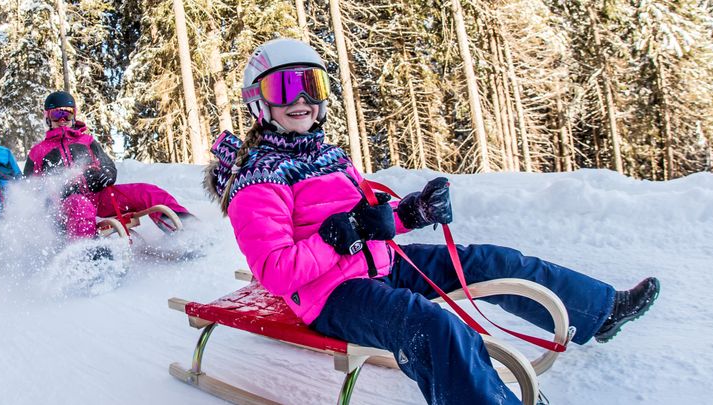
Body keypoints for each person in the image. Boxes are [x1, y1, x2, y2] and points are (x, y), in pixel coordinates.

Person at [203, 38, 660, 405]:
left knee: (490, 261)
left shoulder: (329, 156)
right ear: (258, 102)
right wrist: (339, 237)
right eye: (284, 88)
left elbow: (369, 219)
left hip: (381, 265)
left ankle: (599, 311)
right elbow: (276, 273)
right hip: (331, 297)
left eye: (312, 85)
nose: (302, 98)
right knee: (433, 326)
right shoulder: (256, 180)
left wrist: (411, 213)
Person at [24, 91, 117, 244]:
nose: (62, 120)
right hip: (63, 208)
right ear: (47, 117)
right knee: (80, 205)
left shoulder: (87, 141)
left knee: (145, 192)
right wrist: (54, 193)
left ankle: (163, 229)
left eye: (67, 114)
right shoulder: (38, 151)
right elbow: (29, 188)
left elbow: (106, 163)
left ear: (74, 115)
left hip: (97, 197)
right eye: (56, 114)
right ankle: (87, 250)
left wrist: (107, 173)